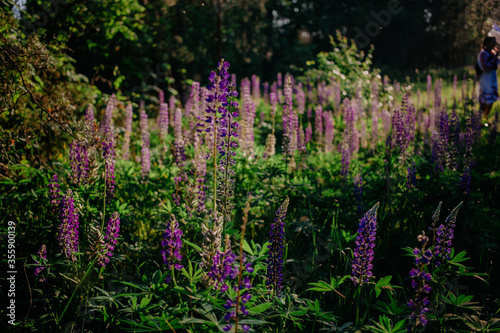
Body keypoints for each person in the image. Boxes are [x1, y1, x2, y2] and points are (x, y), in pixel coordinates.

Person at [477, 36, 500, 120]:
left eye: (494, 42)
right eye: (491, 42)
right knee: (484, 99)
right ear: (486, 43)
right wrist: (494, 58)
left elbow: (496, 63)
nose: (493, 44)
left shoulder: (492, 53)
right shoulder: (483, 53)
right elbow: (485, 66)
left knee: (492, 99)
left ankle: (485, 118)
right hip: (485, 78)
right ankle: (480, 118)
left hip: (492, 78)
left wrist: (496, 56)